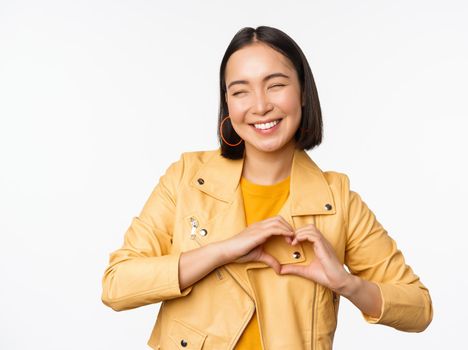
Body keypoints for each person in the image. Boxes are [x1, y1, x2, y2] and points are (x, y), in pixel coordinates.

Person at [101, 26, 433, 350]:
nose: (260, 106)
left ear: (303, 91)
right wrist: (221, 251)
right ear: (227, 103)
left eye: (275, 85)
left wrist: (347, 284)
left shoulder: (337, 200)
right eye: (240, 90)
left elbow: (419, 308)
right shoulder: (187, 178)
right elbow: (118, 284)